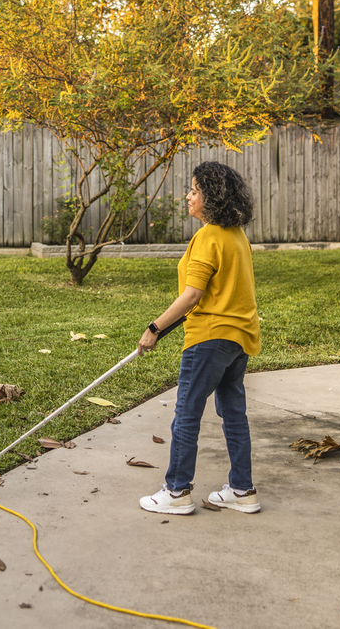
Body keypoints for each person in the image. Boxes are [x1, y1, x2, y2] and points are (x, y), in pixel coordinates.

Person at [136, 162, 261, 515]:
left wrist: (155, 328)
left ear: (211, 197)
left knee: (187, 414)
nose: (188, 196)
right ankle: (242, 490)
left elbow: (192, 295)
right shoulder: (236, 235)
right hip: (238, 339)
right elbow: (222, 292)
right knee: (234, 415)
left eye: (194, 191)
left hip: (208, 339)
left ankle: (176, 493)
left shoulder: (208, 237)